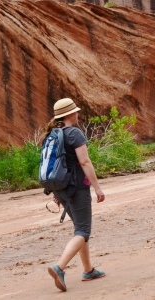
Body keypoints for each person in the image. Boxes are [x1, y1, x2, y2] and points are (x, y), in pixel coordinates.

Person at [46, 98, 107, 292]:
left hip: (60, 188)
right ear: (71, 114)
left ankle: (88, 270)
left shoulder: (52, 134)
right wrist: (97, 188)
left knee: (80, 228)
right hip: (77, 188)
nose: (78, 114)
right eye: (76, 111)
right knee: (83, 231)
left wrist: (57, 192)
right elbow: (85, 162)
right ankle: (59, 267)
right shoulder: (74, 133)